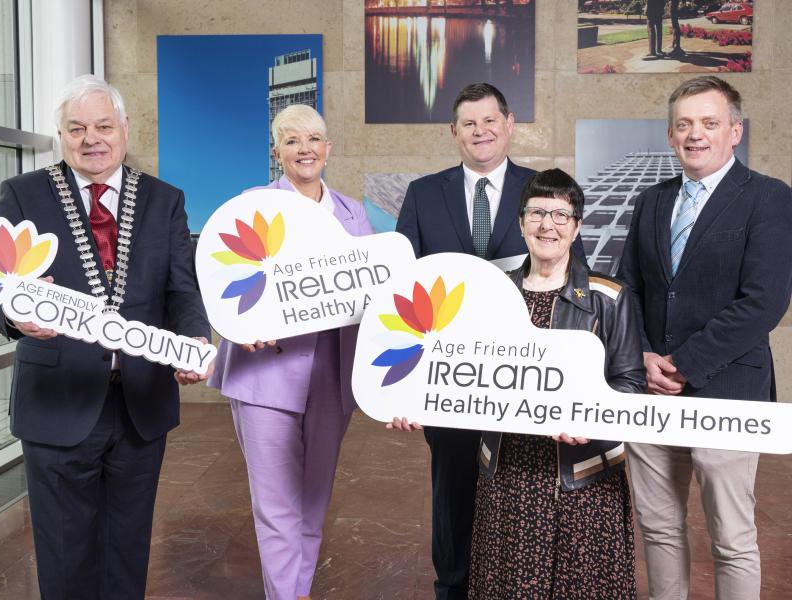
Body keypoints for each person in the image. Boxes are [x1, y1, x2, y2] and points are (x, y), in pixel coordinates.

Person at [0, 75, 210, 599]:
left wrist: (194, 340)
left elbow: (183, 289)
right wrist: (13, 318)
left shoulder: (165, 200)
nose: (92, 139)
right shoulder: (23, 195)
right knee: (63, 551)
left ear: (125, 129)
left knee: (127, 546)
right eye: (77, 128)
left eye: (104, 126)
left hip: (141, 402)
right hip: (56, 400)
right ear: (61, 135)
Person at [396, 82, 584, 600]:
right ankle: (453, 589)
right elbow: (401, 294)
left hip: (525, 377)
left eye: (489, 120)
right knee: (453, 493)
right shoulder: (423, 194)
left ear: (509, 123)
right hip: (450, 381)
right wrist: (407, 388)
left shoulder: (544, 188)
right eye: (469, 123)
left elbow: (576, 279)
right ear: (454, 132)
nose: (480, 131)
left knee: (519, 496)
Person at [617, 75, 792, 600]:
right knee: (659, 526)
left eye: (710, 123)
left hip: (728, 390)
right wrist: (641, 356)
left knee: (732, 538)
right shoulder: (651, 201)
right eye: (685, 124)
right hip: (649, 391)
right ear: (671, 136)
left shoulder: (769, 198)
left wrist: (684, 364)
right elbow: (628, 288)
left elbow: (764, 302)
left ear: (735, 132)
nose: (696, 134)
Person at [208, 104, 373, 600]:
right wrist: (236, 325)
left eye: (314, 139)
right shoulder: (251, 205)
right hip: (265, 372)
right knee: (277, 504)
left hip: (331, 370)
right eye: (293, 140)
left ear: (329, 149)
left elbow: (369, 291)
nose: (305, 149)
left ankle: (296, 591)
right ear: (277, 150)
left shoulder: (353, 212)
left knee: (314, 497)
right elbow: (220, 282)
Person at [463, 168, 643, 599]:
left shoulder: (608, 297)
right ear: (521, 222)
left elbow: (631, 383)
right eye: (538, 212)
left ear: (577, 226)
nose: (549, 225)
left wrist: (590, 421)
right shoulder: (492, 294)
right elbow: (465, 379)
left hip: (581, 474)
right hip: (509, 471)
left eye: (561, 214)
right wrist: (416, 404)